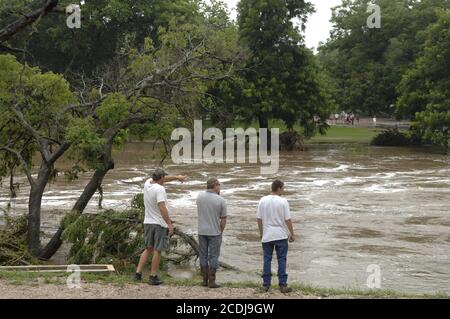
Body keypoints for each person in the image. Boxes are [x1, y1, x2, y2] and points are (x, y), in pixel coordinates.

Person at [134, 168, 186, 285]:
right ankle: (153, 276)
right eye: (164, 177)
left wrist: (177, 177)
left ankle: (137, 274)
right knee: (158, 250)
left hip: (147, 221)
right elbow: (162, 207)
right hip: (159, 223)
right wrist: (169, 224)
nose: (165, 179)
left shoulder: (148, 183)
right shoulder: (160, 189)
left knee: (148, 249)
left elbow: (163, 179)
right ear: (161, 178)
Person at [257, 180, 295, 293]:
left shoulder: (262, 200)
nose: (283, 190)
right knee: (282, 259)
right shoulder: (283, 201)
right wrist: (292, 233)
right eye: (283, 188)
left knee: (267, 259)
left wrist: (261, 233)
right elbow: (287, 219)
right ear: (278, 188)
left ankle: (266, 284)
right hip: (280, 234)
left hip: (267, 235)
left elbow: (259, 219)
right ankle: (283, 284)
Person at [196, 178, 227, 288]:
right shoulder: (221, 200)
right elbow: (223, 219)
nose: (220, 187)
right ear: (215, 186)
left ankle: (204, 280)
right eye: (219, 185)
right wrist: (221, 231)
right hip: (214, 232)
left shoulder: (199, 196)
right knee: (213, 256)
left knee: (203, 255)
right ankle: (212, 281)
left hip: (201, 230)